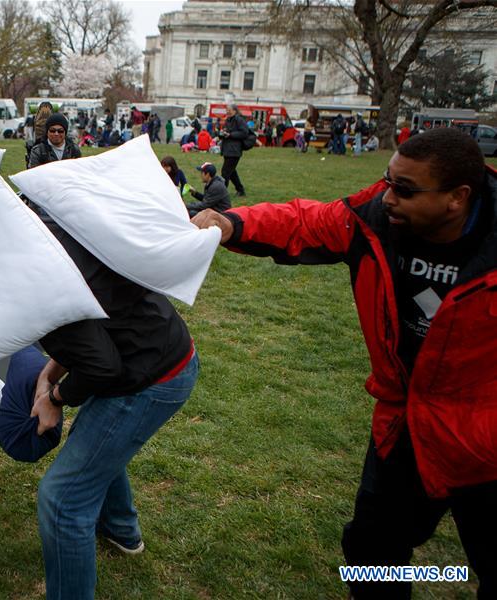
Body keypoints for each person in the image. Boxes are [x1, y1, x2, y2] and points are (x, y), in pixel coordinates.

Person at [191, 127, 496, 599]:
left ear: (458, 198)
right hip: (402, 424)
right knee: (372, 556)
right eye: (388, 180)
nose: (389, 196)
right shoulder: (377, 216)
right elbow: (304, 222)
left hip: (485, 437)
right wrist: (234, 224)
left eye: (406, 190)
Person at [0, 185, 199, 600]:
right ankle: (121, 530)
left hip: (150, 378)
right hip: (157, 351)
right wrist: (49, 373)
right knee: (95, 441)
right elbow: (91, 326)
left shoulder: (37, 272)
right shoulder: (46, 230)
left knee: (62, 499)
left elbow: (101, 366)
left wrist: (54, 399)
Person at [218, 102, 248, 197]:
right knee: (231, 172)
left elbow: (244, 133)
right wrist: (222, 133)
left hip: (234, 150)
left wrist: (230, 135)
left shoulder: (239, 120)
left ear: (235, 111)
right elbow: (227, 131)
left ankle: (222, 194)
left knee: (225, 172)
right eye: (226, 110)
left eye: (229, 110)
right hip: (228, 149)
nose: (227, 112)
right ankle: (240, 190)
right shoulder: (228, 120)